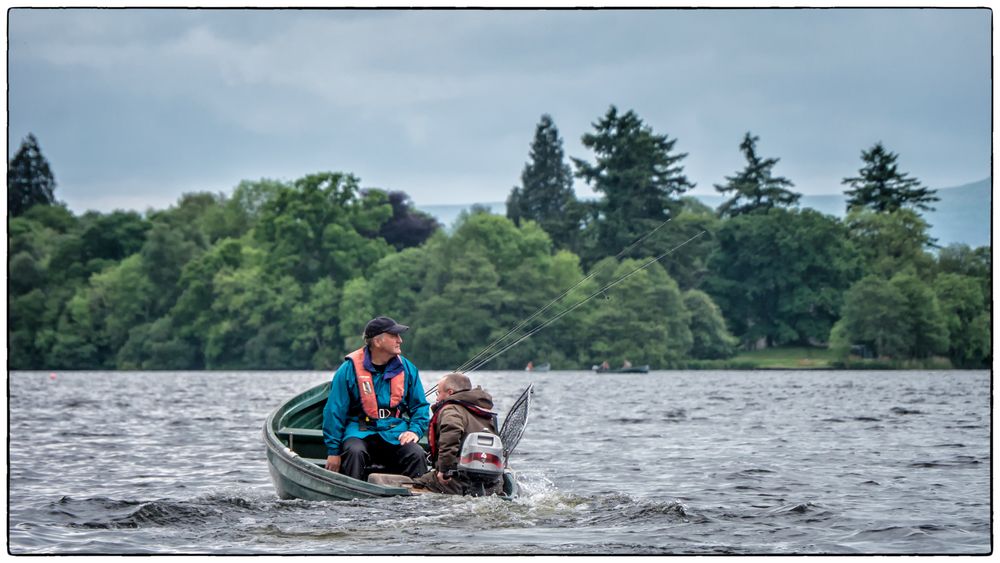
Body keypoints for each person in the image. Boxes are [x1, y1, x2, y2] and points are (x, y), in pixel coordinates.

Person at [322, 316, 430, 481]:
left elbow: (420, 406)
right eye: (394, 336)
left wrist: (414, 430)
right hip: (359, 432)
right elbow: (334, 411)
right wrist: (333, 452)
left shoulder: (408, 368)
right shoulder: (348, 370)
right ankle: (353, 498)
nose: (400, 340)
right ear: (377, 342)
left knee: (416, 454)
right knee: (354, 452)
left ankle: (415, 500)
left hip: (395, 432)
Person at [410, 372, 502, 495]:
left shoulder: (451, 409)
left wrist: (443, 470)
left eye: (438, 393)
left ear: (450, 393)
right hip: (491, 483)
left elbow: (450, 439)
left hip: (457, 481)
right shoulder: (484, 411)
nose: (437, 399)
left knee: (407, 482)